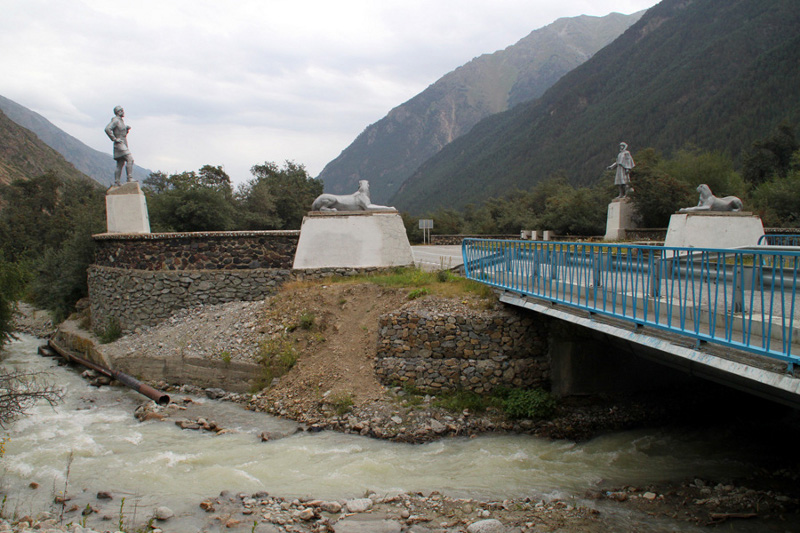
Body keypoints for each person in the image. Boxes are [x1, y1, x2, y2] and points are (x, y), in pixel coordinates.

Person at [105, 106, 134, 186]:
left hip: (123, 142)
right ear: (118, 112)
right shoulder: (116, 120)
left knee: (120, 163)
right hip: (119, 143)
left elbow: (122, 133)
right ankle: (129, 178)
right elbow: (107, 129)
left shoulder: (121, 121)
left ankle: (117, 181)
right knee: (130, 159)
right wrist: (114, 138)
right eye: (121, 110)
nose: (123, 112)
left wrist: (126, 130)